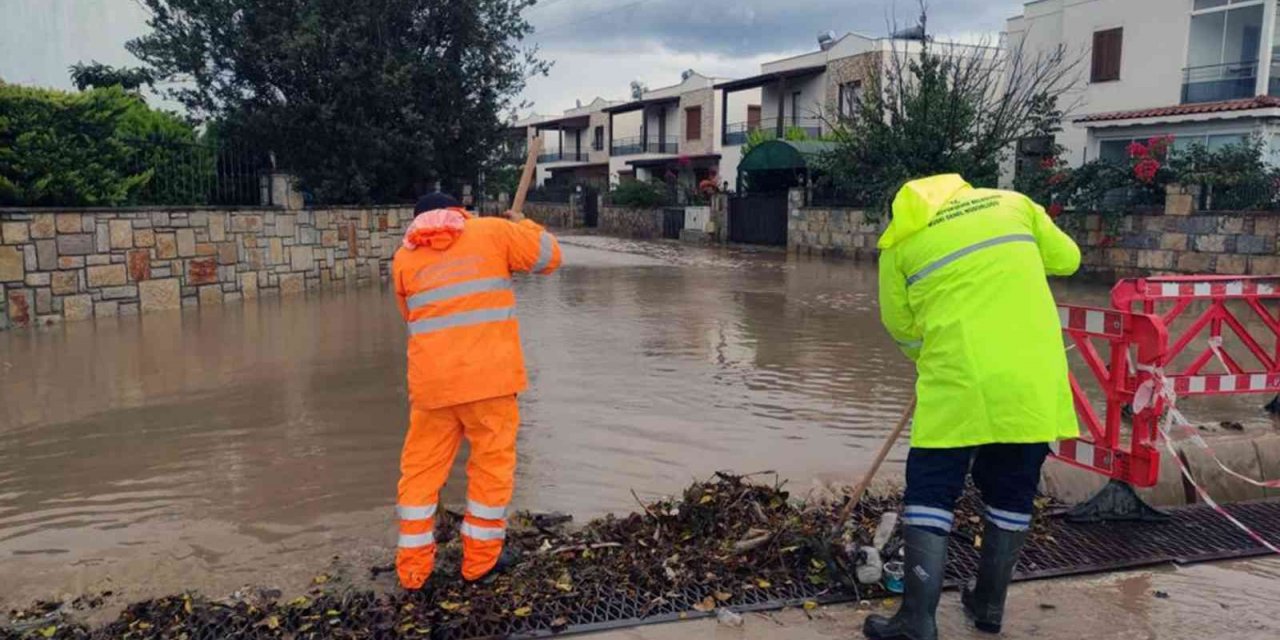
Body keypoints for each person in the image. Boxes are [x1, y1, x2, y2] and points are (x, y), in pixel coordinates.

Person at [865, 174, 1080, 640]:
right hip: (1030, 381)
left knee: (931, 492)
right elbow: (1069, 259)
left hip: (956, 382)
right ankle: (989, 605)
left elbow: (901, 327)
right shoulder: (1015, 205)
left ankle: (916, 620)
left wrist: (932, 357)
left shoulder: (899, 244)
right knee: (1012, 491)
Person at [390, 191, 562, 589]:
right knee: (490, 468)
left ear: (418, 222)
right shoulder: (494, 232)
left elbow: (409, 315)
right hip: (490, 383)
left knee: (420, 471)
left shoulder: (405, 258)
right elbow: (550, 257)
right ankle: (480, 564)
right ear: (458, 212)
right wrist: (523, 224)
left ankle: (413, 572)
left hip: (433, 388)